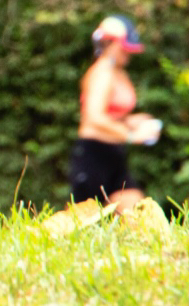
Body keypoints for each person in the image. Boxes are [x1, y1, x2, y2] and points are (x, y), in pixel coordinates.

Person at [69, 14, 160, 212]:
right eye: (124, 48)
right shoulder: (102, 73)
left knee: (139, 215)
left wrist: (132, 120)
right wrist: (131, 135)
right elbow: (94, 117)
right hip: (93, 155)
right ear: (109, 44)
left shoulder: (118, 72)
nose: (129, 54)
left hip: (114, 155)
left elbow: (111, 115)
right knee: (82, 223)